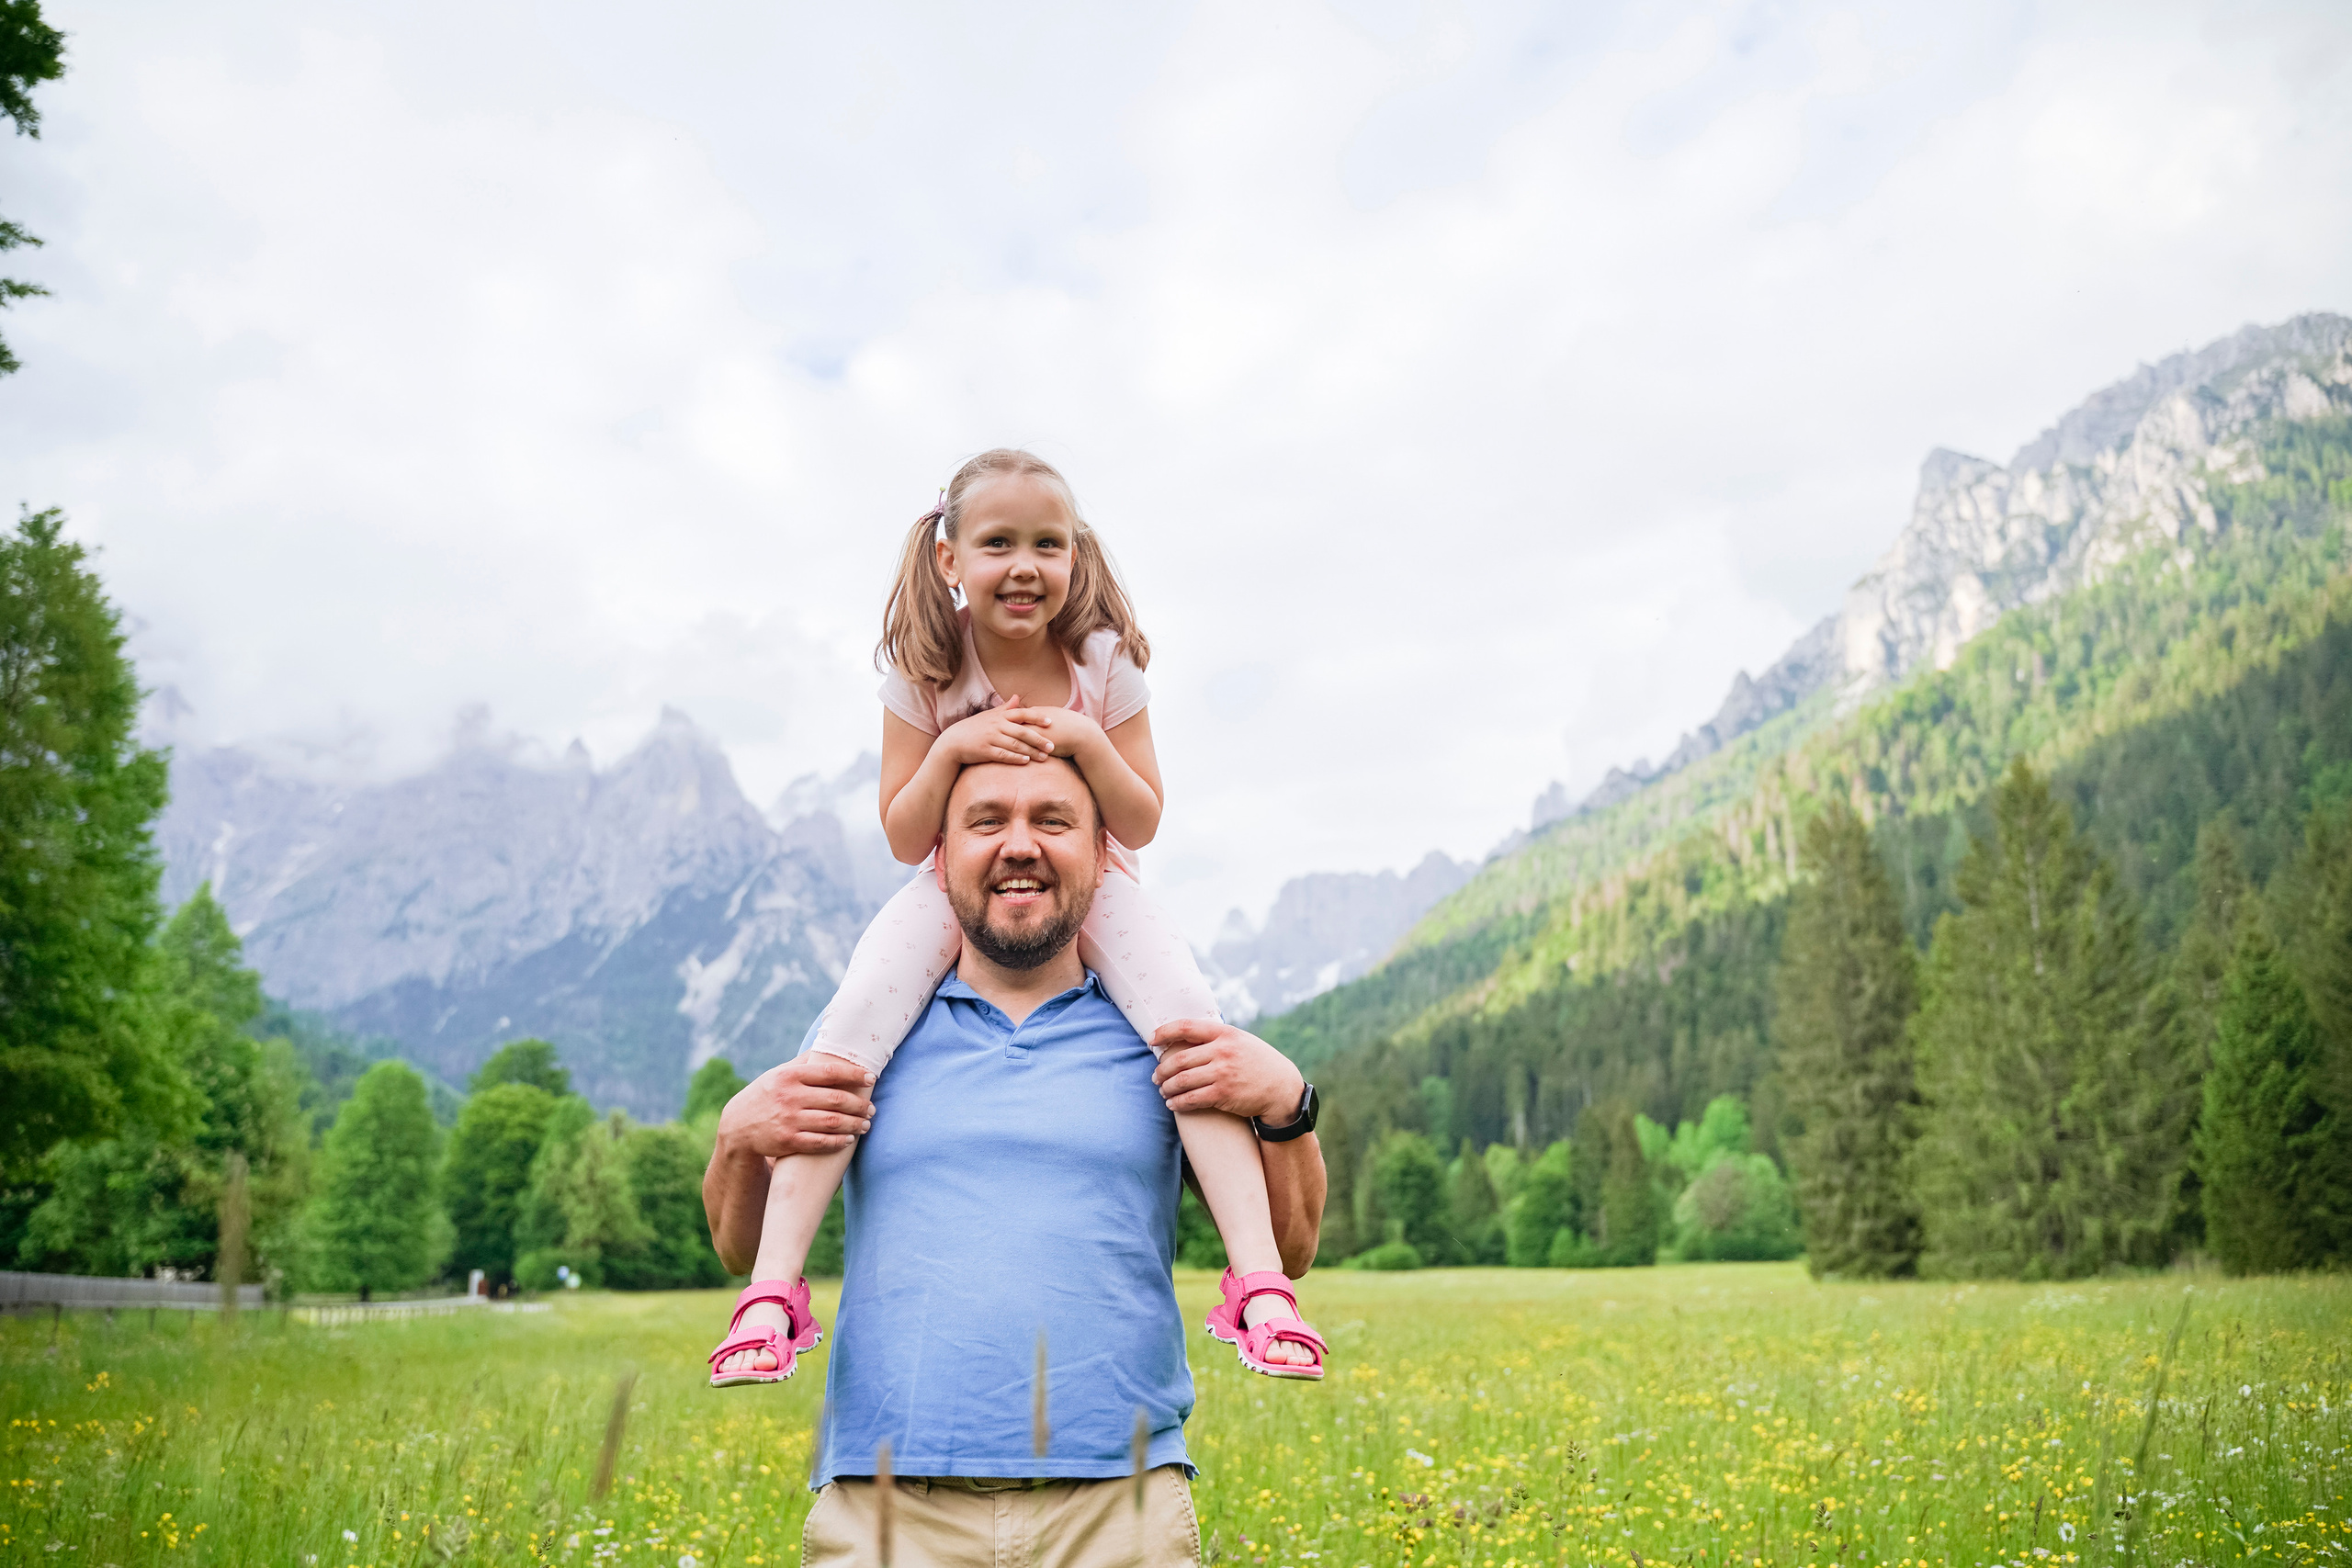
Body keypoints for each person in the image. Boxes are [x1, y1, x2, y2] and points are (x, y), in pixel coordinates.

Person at [708, 448, 1322, 1386]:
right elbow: (904, 834)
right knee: (846, 1038)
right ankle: (771, 1294)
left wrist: (1080, 736)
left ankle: (1262, 1284)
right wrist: (953, 749)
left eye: (1050, 543)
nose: (1025, 565)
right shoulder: (923, 670)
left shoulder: (1102, 663)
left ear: (1078, 556)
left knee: (1192, 1035)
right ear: (950, 559)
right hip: (941, 884)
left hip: (1103, 883)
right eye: (998, 543)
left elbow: (1142, 818)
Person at [702, 754, 1327, 1565]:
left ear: (1102, 854)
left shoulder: (1168, 1037)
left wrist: (1289, 1104)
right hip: (888, 1506)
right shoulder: (863, 1039)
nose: (1019, 845)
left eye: (1053, 820)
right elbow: (737, 1248)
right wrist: (735, 1134)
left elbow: (1295, 1245)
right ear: (941, 856)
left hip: (1119, 1507)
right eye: (987, 821)